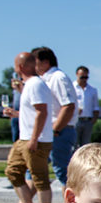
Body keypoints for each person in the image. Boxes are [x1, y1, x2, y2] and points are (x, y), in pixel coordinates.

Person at [3, 51, 56, 203]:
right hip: (25, 138)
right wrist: (16, 114)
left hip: (35, 140)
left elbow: (42, 112)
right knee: (12, 171)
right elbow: (33, 112)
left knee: (40, 179)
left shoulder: (35, 84)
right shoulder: (29, 85)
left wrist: (34, 139)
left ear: (20, 67)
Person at [33, 47, 78, 187]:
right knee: (35, 168)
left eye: (34, 62)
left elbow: (68, 106)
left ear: (45, 62)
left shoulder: (58, 78)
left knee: (62, 170)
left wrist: (55, 129)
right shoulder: (45, 79)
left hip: (59, 131)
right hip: (52, 131)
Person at [73, 66, 99, 147]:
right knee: (74, 144)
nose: (84, 79)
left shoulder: (92, 90)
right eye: (82, 77)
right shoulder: (72, 88)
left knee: (86, 146)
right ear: (77, 74)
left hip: (88, 121)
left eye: (86, 77)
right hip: (75, 120)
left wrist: (94, 119)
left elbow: (96, 106)